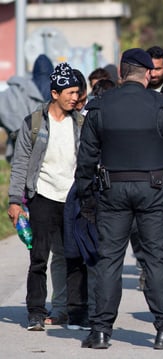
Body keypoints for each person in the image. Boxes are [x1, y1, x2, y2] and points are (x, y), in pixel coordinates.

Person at [75, 48, 163, 350]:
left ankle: (101, 331)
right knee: (157, 261)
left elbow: (86, 160)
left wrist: (87, 199)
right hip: (154, 191)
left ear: (120, 72)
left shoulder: (99, 107)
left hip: (111, 190)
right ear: (148, 74)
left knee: (109, 262)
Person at [8, 63, 84, 331]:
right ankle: (36, 312)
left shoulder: (81, 123)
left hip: (72, 199)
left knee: (73, 257)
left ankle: (72, 312)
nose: (75, 97)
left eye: (77, 92)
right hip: (43, 197)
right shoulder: (34, 123)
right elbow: (20, 163)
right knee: (39, 257)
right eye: (71, 92)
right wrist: (15, 200)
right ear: (55, 93)